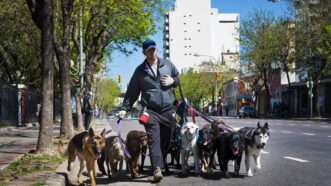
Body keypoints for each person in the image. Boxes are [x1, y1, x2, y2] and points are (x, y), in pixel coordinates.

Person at [118, 39, 179, 182]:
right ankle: (157, 169)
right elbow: (132, 91)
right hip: (150, 110)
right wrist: (125, 108)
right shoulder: (140, 71)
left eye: (154, 49)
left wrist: (173, 81)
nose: (152, 52)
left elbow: (177, 78)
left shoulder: (167, 64)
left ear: (156, 50)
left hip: (168, 109)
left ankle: (160, 161)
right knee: (153, 139)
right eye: (149, 50)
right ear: (144, 53)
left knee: (166, 140)